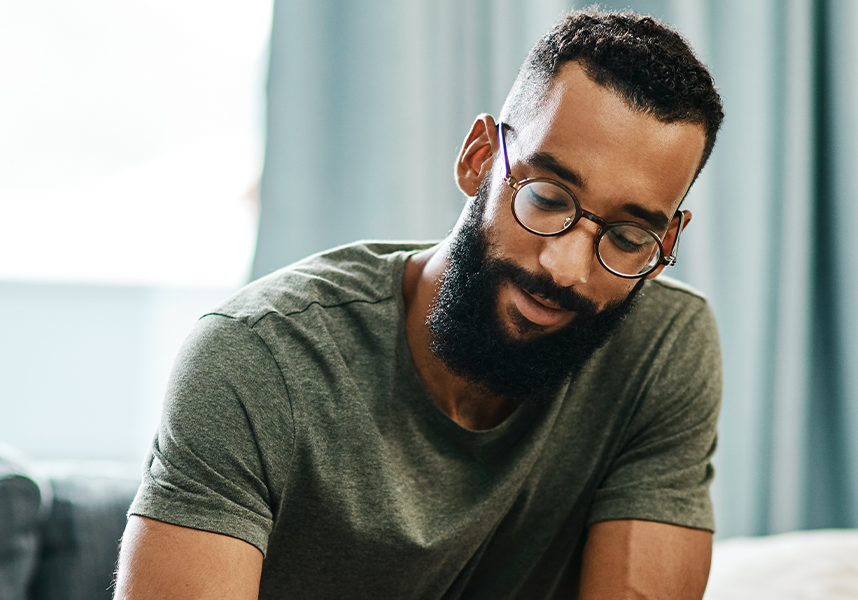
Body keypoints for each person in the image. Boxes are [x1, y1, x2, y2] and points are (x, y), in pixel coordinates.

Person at [115, 8, 724, 600]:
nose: (565, 268)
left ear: (667, 241)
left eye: (626, 237)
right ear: (479, 158)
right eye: (546, 197)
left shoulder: (663, 347)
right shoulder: (257, 358)